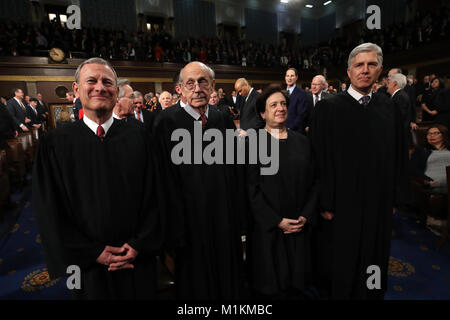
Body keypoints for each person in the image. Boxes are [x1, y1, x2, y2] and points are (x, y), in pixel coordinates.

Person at [32, 57, 162, 299]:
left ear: (116, 90)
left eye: (107, 82)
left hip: (137, 259)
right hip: (86, 265)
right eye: (91, 81)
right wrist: (92, 251)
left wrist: (138, 243)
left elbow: (157, 194)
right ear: (76, 89)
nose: (100, 87)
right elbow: (49, 208)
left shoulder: (142, 137)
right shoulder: (54, 144)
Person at [310, 43, 409, 299]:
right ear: (349, 70)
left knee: (374, 257)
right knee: (341, 261)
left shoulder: (390, 108)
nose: (365, 70)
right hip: (341, 203)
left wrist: (395, 197)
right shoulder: (328, 108)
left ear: (380, 71)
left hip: (379, 201)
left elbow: (400, 155)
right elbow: (318, 158)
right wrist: (325, 200)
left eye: (371, 64)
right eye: (359, 65)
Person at [154, 61, 244, 300]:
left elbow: (233, 168)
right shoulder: (165, 122)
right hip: (188, 221)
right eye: (190, 83)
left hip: (223, 216)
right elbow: (162, 180)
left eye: (202, 82)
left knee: (227, 274)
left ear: (212, 86)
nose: (197, 88)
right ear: (180, 89)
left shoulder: (221, 117)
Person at [246, 85, 317, 299]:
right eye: (273, 105)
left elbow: (315, 182)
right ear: (262, 113)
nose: (280, 108)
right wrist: (277, 221)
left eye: (284, 104)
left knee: (297, 287)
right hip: (268, 230)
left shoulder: (303, 142)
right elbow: (250, 190)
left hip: (298, 226)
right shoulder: (252, 143)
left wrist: (306, 215)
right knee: (270, 290)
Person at [410, 125, 450, 232]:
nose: (431, 136)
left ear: (443, 135)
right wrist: (427, 181)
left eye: (435, 133)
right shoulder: (421, 150)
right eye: (429, 134)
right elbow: (413, 169)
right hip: (434, 182)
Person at [387, 73, 412, 144]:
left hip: (399, 136)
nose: (386, 86)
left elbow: (398, 117)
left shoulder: (400, 96)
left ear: (394, 84)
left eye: (388, 83)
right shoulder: (398, 95)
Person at [284, 68, 308, 133]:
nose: (289, 78)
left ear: (296, 77)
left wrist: (289, 128)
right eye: (287, 76)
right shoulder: (280, 92)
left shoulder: (302, 93)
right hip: (281, 129)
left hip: (294, 131)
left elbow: (301, 115)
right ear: (285, 77)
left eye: (292, 76)